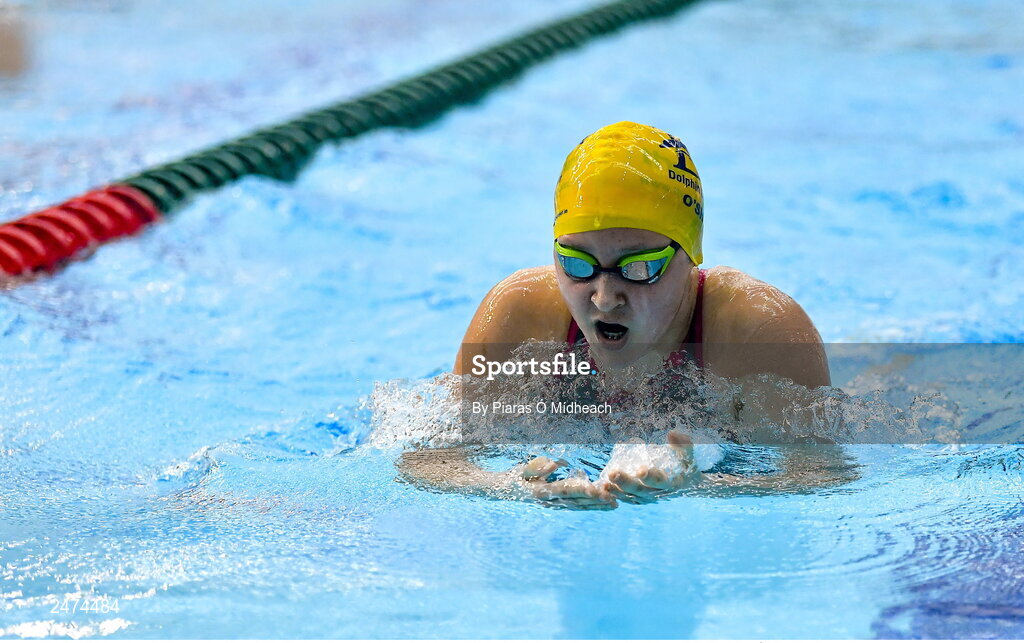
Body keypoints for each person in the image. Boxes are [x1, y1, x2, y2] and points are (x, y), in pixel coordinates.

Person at [401, 121, 834, 508]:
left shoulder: (758, 331)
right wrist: (513, 485)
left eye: (639, 268)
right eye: (576, 263)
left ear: (691, 256)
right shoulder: (519, 315)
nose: (605, 298)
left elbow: (822, 475)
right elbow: (428, 460)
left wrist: (703, 487)